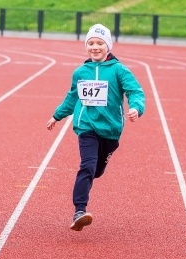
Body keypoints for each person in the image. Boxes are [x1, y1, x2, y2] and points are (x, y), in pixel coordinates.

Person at [45, 23, 146, 232]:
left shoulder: (119, 70)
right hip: (86, 127)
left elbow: (135, 91)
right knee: (87, 166)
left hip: (111, 129)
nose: (95, 47)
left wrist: (136, 107)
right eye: (91, 43)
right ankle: (79, 211)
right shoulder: (81, 72)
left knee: (97, 171)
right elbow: (72, 97)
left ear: (108, 46)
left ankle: (97, 170)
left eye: (100, 43)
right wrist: (57, 115)